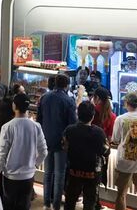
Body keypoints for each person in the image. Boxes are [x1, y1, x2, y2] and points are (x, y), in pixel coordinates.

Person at [0, 93, 47, 210]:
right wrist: (34, 164)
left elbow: (2, 154)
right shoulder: (36, 126)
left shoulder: (7, 127)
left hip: (10, 176)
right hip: (28, 176)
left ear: (14, 106)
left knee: (9, 206)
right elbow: (44, 152)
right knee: (24, 206)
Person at [37, 73, 77, 210]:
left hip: (46, 139)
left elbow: (39, 119)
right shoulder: (68, 100)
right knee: (59, 175)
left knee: (48, 173)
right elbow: (72, 123)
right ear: (66, 85)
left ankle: (46, 203)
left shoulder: (44, 98)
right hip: (62, 142)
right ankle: (56, 205)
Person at [62, 101, 108, 210]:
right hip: (92, 173)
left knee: (70, 201)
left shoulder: (69, 130)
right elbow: (106, 151)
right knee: (89, 203)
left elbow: (64, 147)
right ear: (93, 116)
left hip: (74, 170)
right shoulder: (99, 132)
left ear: (78, 114)